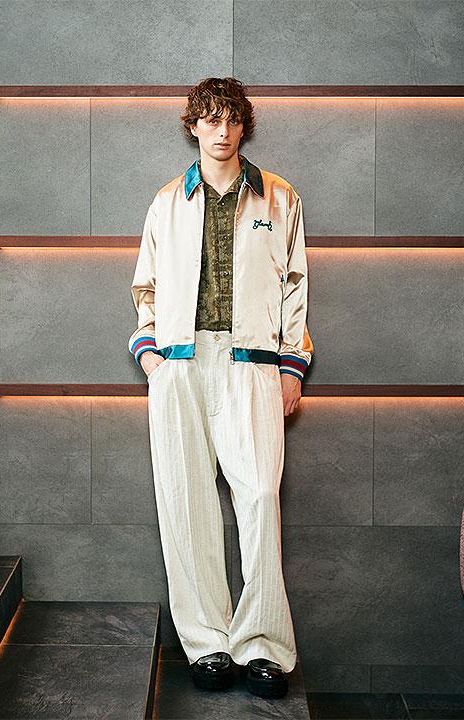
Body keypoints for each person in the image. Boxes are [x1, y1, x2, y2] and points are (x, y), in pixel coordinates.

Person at [128, 77, 314, 699]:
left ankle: (263, 645)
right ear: (193, 126)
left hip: (251, 364)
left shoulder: (278, 197)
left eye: (232, 119)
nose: (223, 131)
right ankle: (206, 642)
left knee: (258, 496)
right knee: (186, 503)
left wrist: (290, 366)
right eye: (210, 119)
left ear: (244, 126)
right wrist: (152, 355)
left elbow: (295, 285)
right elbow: (147, 286)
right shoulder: (166, 202)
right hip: (179, 364)